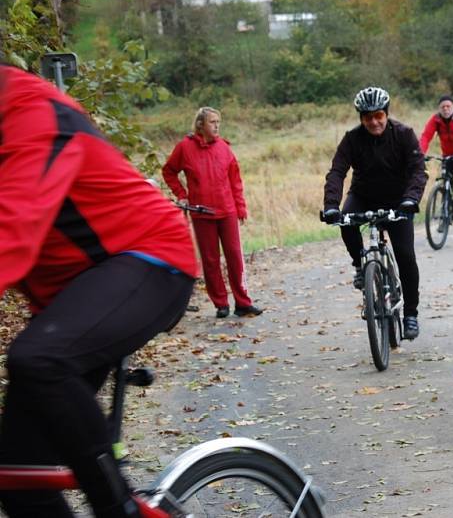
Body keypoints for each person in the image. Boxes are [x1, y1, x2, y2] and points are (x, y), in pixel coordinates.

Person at [0, 65, 197, 517]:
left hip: (148, 261)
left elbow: (12, 229)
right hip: (74, 297)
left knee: (39, 358)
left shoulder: (35, 114)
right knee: (17, 476)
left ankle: (120, 506)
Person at [322, 87, 427, 339]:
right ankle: (360, 265)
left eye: (378, 115)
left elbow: (418, 170)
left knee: (405, 256)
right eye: (367, 117)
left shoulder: (404, 135)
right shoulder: (352, 139)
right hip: (364, 195)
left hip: (399, 200)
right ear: (361, 118)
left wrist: (411, 200)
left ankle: (410, 314)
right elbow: (337, 172)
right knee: (345, 221)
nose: (374, 121)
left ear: (386, 114)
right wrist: (331, 206)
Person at [163, 107, 262, 319]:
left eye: (218, 122)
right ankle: (221, 304)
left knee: (235, 257)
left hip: (227, 211)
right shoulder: (185, 147)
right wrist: (182, 194)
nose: (216, 126)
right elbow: (169, 171)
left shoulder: (224, 148)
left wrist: (241, 207)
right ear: (201, 125)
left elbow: (235, 180)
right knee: (210, 260)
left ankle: (243, 302)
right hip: (202, 213)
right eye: (212, 122)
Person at [418, 95, 453, 179]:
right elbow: (425, 137)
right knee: (446, 177)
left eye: (448, 106)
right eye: (442, 107)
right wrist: (420, 152)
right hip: (448, 153)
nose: (445, 109)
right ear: (439, 109)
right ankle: (447, 191)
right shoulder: (436, 120)